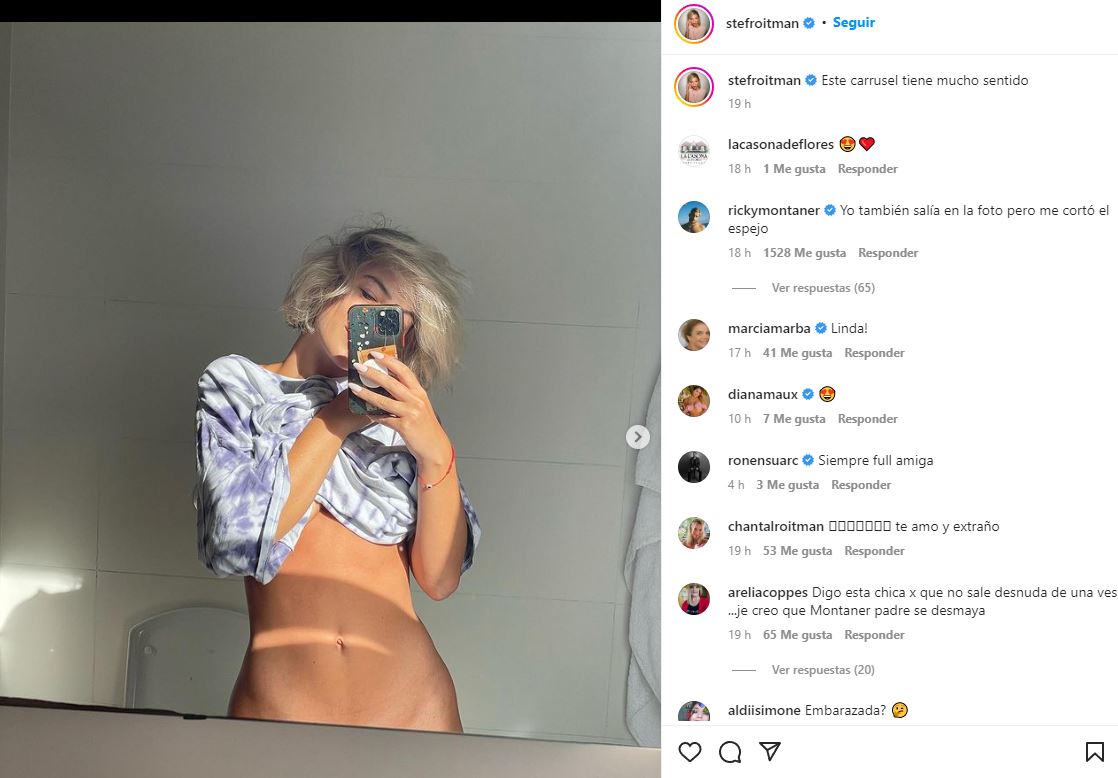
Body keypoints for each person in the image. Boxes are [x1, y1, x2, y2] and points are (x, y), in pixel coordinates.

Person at [193, 224, 481, 733]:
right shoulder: (238, 386)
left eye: (397, 320)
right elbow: (235, 543)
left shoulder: (403, 420)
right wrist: (338, 417)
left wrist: (436, 453)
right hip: (281, 716)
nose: (374, 321)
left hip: (416, 711)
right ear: (325, 287)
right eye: (368, 294)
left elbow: (439, 581)